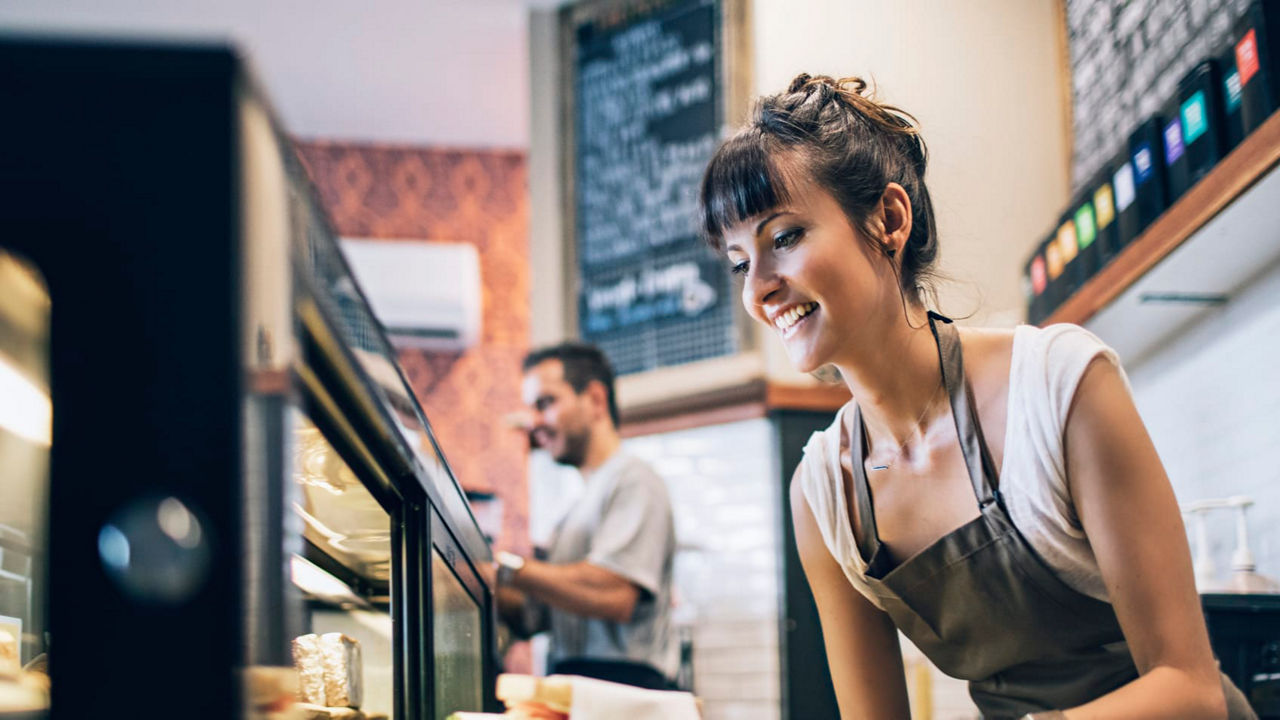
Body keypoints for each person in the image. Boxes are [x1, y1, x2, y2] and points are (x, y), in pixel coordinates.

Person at [697, 73, 1254, 719]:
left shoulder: (1056, 386)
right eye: (739, 261)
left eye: (784, 237)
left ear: (889, 218)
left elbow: (1190, 690)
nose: (758, 289)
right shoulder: (824, 494)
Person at [489, 341, 679, 691]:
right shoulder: (572, 510)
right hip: (577, 683)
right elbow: (537, 614)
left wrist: (510, 568)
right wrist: (474, 578)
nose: (534, 423)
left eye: (545, 404)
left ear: (594, 399)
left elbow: (614, 593)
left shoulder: (634, 479)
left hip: (626, 690)